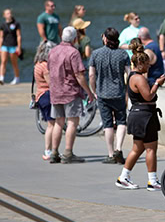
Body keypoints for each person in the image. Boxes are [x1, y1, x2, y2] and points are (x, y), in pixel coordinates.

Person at [116, 40, 165, 190]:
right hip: (145, 116)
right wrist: (157, 83)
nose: (149, 66)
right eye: (147, 64)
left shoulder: (133, 76)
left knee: (137, 148)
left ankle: (123, 177)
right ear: (140, 64)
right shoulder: (139, 78)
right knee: (151, 148)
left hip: (138, 115)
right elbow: (148, 96)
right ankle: (152, 181)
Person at [48, 26, 95, 164]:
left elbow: (49, 70)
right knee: (72, 122)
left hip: (56, 91)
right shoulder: (73, 53)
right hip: (70, 91)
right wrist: (88, 91)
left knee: (58, 122)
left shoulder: (52, 51)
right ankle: (68, 152)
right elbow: (79, 75)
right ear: (75, 39)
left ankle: (54, 152)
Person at [89, 28, 131, 165]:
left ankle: (111, 153)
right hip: (118, 92)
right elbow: (129, 74)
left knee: (107, 124)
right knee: (121, 121)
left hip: (102, 93)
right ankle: (119, 148)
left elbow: (91, 75)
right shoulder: (123, 54)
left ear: (105, 39)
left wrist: (94, 90)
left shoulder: (96, 54)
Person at [33, 40, 56, 160]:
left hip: (40, 95)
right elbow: (51, 84)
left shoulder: (37, 64)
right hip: (47, 95)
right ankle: (48, 151)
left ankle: (50, 150)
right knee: (51, 125)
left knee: (50, 125)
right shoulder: (46, 66)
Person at [0, 9, 22, 85]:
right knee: (3, 61)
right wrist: (0, 46)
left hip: (13, 45)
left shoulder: (16, 24)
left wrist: (19, 47)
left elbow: (18, 36)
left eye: (10, 13)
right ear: (4, 15)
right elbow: (1, 37)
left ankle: (17, 78)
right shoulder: (2, 25)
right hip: (4, 45)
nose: (9, 14)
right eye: (7, 13)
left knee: (14, 62)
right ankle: (1, 78)